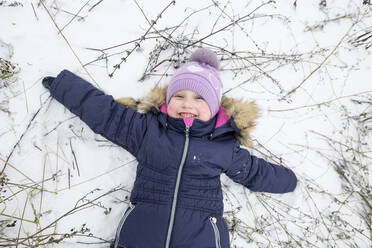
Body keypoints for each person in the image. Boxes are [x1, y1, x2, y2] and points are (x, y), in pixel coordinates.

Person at [42, 48, 297, 248]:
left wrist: (288, 180)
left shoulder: (223, 146)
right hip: (143, 233)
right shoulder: (148, 130)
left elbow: (254, 171)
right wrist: (65, 87)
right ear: (167, 102)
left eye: (199, 98)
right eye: (179, 96)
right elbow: (109, 116)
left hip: (200, 236)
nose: (188, 104)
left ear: (215, 108)